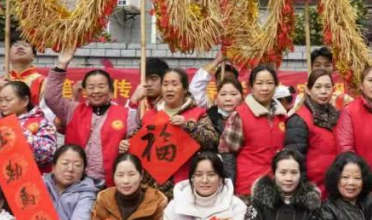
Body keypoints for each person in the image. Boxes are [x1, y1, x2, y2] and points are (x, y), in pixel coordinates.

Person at [46, 47, 139, 185]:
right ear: (84, 91)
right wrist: (61, 64)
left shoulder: (126, 114)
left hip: (110, 183)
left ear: (111, 90)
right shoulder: (72, 109)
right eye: (91, 87)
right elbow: (51, 97)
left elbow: (136, 142)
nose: (96, 91)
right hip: (75, 181)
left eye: (101, 86)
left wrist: (128, 144)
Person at [122, 68, 220, 199]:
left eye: (174, 84)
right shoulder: (149, 115)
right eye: (165, 84)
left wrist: (187, 126)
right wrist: (125, 145)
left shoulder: (198, 114)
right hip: (152, 188)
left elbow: (212, 141)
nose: (169, 89)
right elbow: (135, 143)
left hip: (185, 185)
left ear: (185, 89)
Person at [218, 65, 288, 197]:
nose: (265, 88)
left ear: (276, 86)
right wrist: (229, 189)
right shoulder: (240, 115)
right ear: (251, 87)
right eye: (259, 83)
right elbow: (227, 154)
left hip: (278, 187)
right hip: (248, 189)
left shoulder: (283, 116)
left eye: (269, 83)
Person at [285, 69, 341, 198]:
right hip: (312, 190)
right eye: (318, 87)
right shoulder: (299, 119)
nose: (323, 91)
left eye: (327, 87)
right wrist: (304, 191)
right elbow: (294, 160)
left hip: (334, 187)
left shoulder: (338, 116)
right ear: (308, 90)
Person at [0, 80, 57, 172]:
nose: (3, 104)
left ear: (25, 101)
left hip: (32, 180)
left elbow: (48, 153)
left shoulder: (43, 123)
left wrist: (19, 132)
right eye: (0, 100)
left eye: (8, 100)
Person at [0, 38, 50, 122]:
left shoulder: (44, 82)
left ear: (33, 55)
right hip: (5, 129)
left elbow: (48, 113)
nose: (20, 47)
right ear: (9, 55)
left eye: (26, 45)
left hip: (33, 130)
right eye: (16, 45)